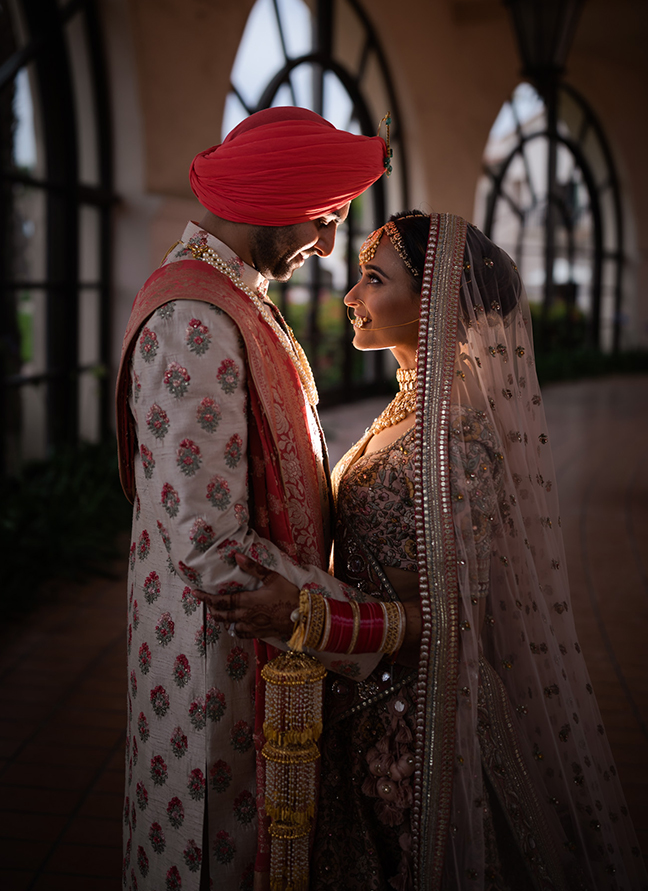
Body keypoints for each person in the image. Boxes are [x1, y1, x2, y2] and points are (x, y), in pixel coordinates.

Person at [205, 211, 648, 887]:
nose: (351, 297)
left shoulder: (459, 444)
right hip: (363, 709)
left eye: (373, 280)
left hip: (415, 742)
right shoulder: (405, 413)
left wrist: (303, 614)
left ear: (433, 302)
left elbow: (452, 625)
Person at [115, 105, 387, 891]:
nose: (329, 245)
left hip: (244, 653)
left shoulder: (231, 292)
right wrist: (368, 626)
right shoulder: (194, 315)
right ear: (271, 196)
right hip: (215, 668)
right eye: (326, 218)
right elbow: (209, 545)